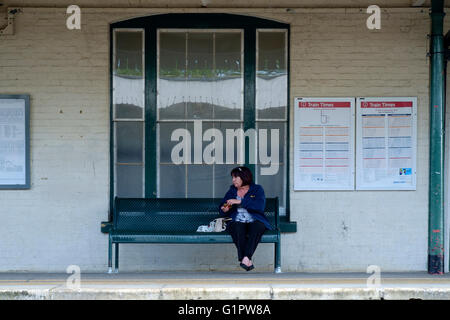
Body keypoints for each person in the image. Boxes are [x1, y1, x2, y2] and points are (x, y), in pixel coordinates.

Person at [218, 166, 272, 271]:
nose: (233, 180)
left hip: (254, 220)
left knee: (258, 227)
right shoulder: (232, 190)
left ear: (244, 177)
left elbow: (259, 206)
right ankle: (247, 259)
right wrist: (224, 208)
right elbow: (224, 205)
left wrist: (240, 201)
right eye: (232, 178)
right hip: (237, 221)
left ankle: (245, 258)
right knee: (237, 227)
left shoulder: (257, 189)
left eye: (235, 177)